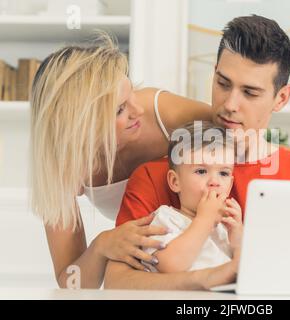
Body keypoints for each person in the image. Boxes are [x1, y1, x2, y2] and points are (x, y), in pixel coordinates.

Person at [105, 15, 290, 289]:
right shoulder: (159, 174)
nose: (230, 104)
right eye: (223, 83)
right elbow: (118, 282)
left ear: (282, 98)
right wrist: (206, 280)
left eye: (250, 93)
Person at [30, 34, 238, 289]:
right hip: (158, 266)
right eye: (120, 109)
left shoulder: (159, 112)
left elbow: (241, 136)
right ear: (81, 125)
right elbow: (71, 282)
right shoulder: (63, 169)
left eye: (132, 94)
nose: (137, 110)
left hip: (209, 245)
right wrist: (102, 246)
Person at [142, 121, 242, 273]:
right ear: (175, 182)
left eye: (223, 173)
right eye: (201, 171)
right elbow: (168, 266)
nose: (214, 182)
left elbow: (249, 271)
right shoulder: (166, 219)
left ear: (229, 186)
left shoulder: (226, 228)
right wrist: (204, 220)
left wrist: (238, 240)